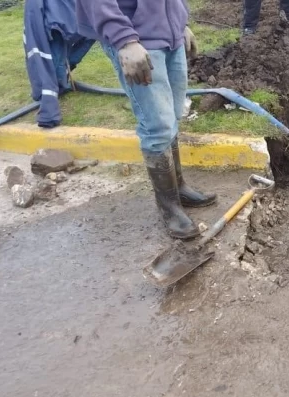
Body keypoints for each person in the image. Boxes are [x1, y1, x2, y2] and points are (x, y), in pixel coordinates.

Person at [76, 0, 217, 239]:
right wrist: (124, 40)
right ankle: (168, 207)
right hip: (135, 40)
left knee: (171, 115)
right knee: (157, 125)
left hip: (168, 31)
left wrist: (180, 22)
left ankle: (178, 188)